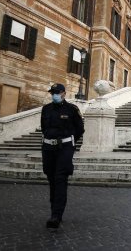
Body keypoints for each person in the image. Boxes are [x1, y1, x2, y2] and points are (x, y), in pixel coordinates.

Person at [41, 83, 84, 228]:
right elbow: (43, 128)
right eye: (52, 92)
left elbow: (80, 129)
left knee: (60, 178)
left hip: (65, 148)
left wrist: (69, 143)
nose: (54, 95)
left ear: (64, 93)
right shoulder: (46, 109)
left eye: (57, 92)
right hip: (48, 148)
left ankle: (56, 216)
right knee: (51, 178)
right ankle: (54, 210)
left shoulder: (72, 109)